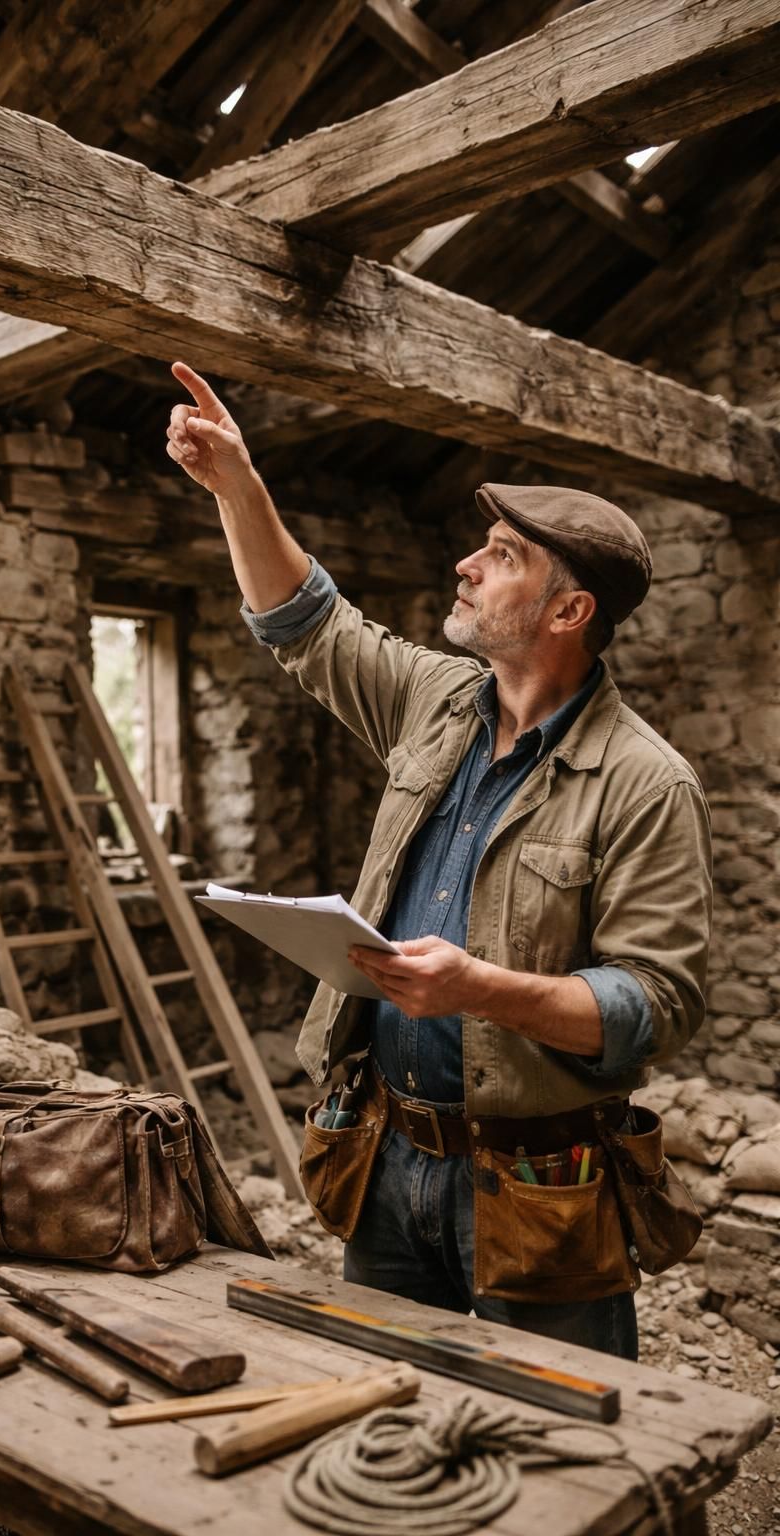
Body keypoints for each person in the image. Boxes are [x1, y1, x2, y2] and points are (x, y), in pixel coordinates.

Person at [166, 361, 712, 1360]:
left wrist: (481, 990)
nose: (465, 564)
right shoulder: (437, 701)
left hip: (543, 1186)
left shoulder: (646, 782)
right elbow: (307, 624)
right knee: (388, 1421)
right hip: (384, 1153)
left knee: (559, 1455)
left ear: (566, 612)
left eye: (500, 556)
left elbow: (654, 1004)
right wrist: (238, 487)